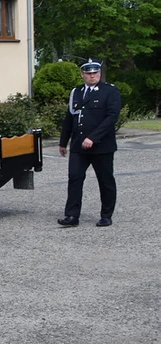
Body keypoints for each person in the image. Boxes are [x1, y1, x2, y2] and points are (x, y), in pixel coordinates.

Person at [58, 60, 121, 227]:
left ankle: (106, 215)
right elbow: (70, 118)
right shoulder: (77, 92)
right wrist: (63, 141)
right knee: (75, 178)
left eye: (95, 73)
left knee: (105, 180)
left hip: (102, 146)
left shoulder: (110, 91)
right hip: (79, 145)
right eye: (88, 73)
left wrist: (93, 138)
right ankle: (72, 216)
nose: (91, 76)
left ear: (99, 74)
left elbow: (111, 117)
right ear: (82, 75)